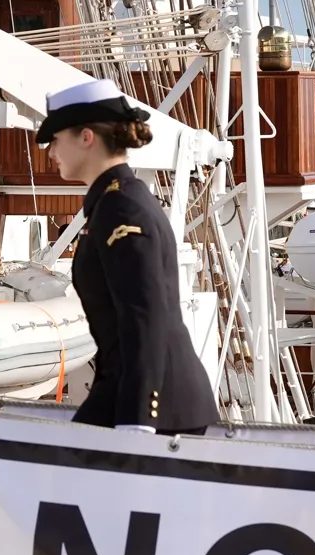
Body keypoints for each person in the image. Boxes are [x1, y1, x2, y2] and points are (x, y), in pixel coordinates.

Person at [37, 78, 220, 436]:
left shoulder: (121, 208)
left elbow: (145, 317)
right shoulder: (112, 202)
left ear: (86, 137)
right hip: (124, 395)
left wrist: (139, 419)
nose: (51, 152)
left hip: (159, 413)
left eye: (56, 139)